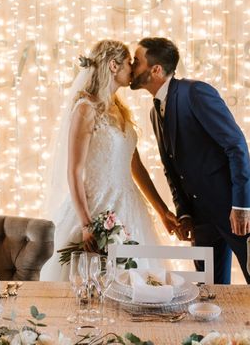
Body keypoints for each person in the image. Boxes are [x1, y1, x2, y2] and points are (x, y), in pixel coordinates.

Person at [130, 37, 250, 284]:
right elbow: (171, 168)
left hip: (236, 211)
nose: (131, 66)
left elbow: (236, 146)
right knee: (209, 291)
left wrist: (242, 206)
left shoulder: (194, 92)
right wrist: (183, 213)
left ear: (156, 70)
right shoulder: (154, 111)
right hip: (202, 220)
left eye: (136, 61)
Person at [40, 40, 180, 280]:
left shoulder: (119, 108)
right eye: (129, 63)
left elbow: (135, 166)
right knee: (92, 279)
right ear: (114, 66)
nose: (133, 69)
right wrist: (86, 224)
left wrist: (161, 210)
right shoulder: (85, 108)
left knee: (137, 280)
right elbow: (74, 171)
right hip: (96, 206)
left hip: (129, 206)